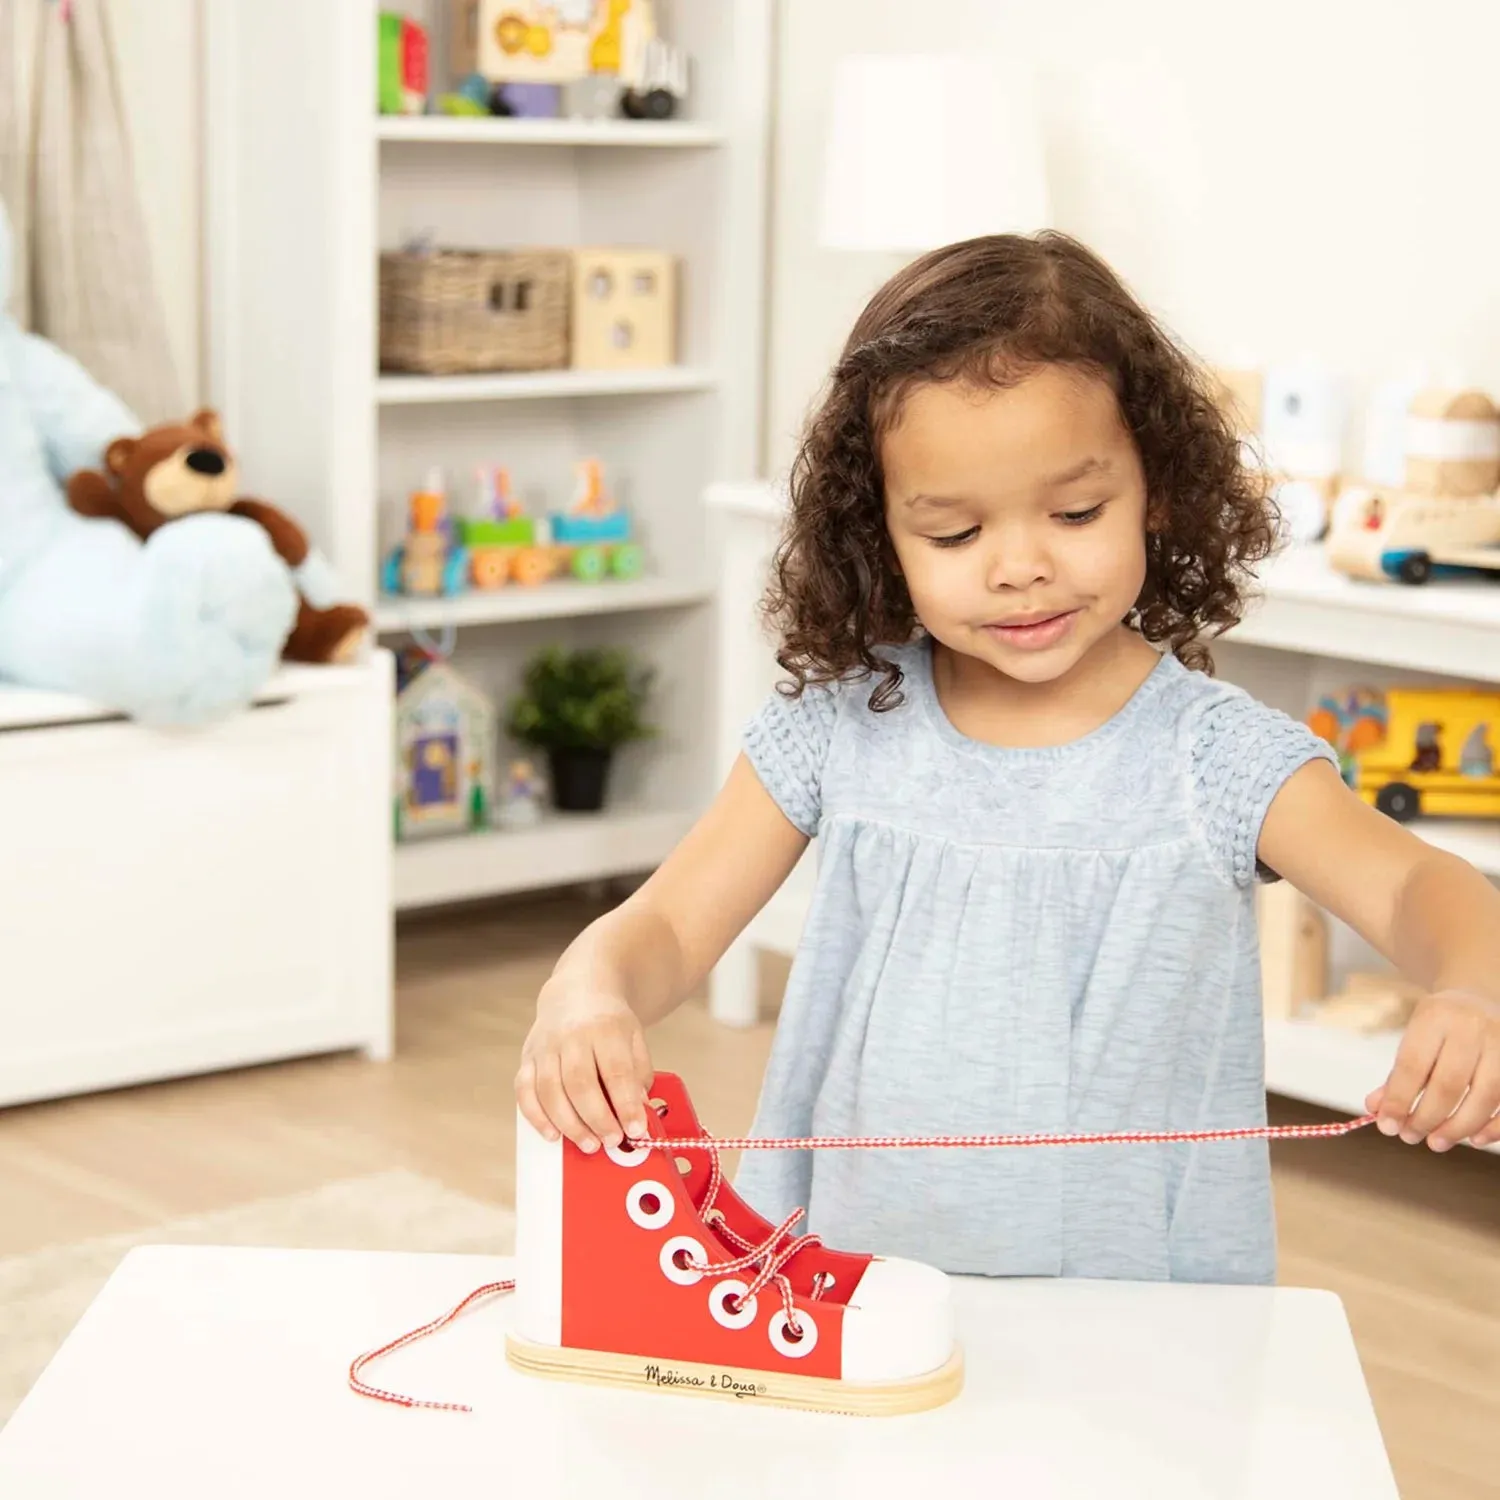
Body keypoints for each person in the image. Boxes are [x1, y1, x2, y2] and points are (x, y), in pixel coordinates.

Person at [514, 232, 1500, 1284]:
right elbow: (666, 923)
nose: (1021, 567)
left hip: (1132, 1327)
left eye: (1076, 513)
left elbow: (1416, 889)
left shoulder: (1211, 759)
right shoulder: (839, 730)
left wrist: (1478, 990)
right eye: (951, 534)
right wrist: (588, 992)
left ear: (1155, 488)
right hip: (847, 1295)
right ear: (878, 533)